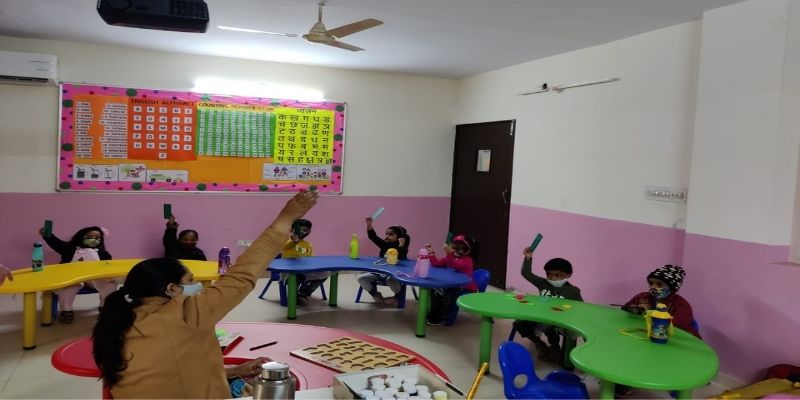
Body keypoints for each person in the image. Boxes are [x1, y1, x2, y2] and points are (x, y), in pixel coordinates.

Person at [92, 190, 318, 398]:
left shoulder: (119, 318)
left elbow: (173, 371)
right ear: (172, 289)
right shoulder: (186, 313)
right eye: (191, 280)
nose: (198, 286)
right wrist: (286, 218)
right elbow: (242, 275)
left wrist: (235, 370)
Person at [616, 264, 699, 399]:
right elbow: (627, 308)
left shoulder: (681, 304)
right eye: (651, 283)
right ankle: (627, 379)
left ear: (672, 287)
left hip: (674, 340)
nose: (654, 287)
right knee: (626, 349)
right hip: (645, 336)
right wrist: (632, 309)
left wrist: (653, 316)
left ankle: (677, 382)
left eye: (659, 284)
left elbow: (680, 323)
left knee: (676, 364)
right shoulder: (642, 297)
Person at [512, 248, 583, 363]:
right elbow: (526, 273)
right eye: (549, 275)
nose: (553, 278)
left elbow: (581, 307)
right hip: (541, 317)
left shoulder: (573, 291)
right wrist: (528, 258)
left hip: (559, 322)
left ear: (568, 275)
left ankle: (555, 347)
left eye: (558, 275)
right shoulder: (543, 283)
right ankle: (539, 344)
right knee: (519, 323)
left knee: (556, 330)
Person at [39, 225, 114, 323]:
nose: (93, 239)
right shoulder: (70, 248)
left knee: (110, 284)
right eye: (90, 237)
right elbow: (56, 243)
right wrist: (47, 235)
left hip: (94, 278)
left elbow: (108, 265)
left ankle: (104, 307)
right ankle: (67, 311)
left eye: (97, 238)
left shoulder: (103, 253)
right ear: (81, 237)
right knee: (66, 287)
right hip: (73, 278)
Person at [424, 235, 478, 325]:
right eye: (454, 248)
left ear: (467, 251)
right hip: (453, 283)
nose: (455, 251)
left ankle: (443, 316)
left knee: (448, 293)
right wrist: (431, 253)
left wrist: (449, 253)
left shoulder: (467, 260)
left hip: (465, 287)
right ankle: (435, 313)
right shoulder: (452, 257)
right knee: (435, 290)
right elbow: (437, 263)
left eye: (459, 249)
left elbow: (455, 265)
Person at [356, 217, 410, 305]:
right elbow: (373, 237)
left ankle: (397, 297)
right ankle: (375, 295)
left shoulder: (402, 248)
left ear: (399, 237)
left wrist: (401, 244)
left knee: (390, 280)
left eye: (391, 234)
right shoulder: (384, 245)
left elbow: (400, 255)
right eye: (386, 234)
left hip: (394, 274)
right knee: (361, 278)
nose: (387, 236)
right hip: (380, 273)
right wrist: (369, 224)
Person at [281, 218, 328, 305]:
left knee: (325, 274)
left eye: (307, 230)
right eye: (302, 230)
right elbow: (292, 242)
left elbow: (311, 259)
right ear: (292, 230)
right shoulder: (288, 242)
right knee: (297, 277)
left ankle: (304, 293)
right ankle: (293, 296)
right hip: (289, 272)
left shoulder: (307, 244)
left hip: (305, 271)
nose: (304, 232)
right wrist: (294, 239)